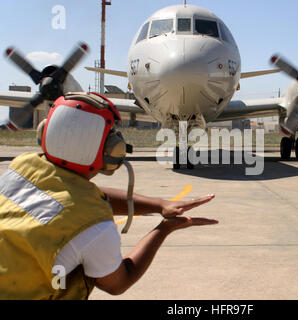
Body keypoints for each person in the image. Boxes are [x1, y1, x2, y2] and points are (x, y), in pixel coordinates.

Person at [0, 92, 217, 299]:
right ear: (112, 150)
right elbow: (119, 282)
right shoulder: (93, 226)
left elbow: (84, 197)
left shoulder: (21, 167)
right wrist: (164, 229)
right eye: (113, 136)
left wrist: (160, 204)